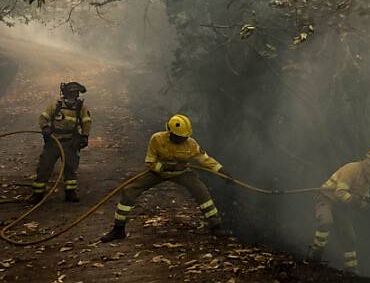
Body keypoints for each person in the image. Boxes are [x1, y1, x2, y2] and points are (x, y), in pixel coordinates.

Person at [100, 113, 232, 242]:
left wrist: (222, 171)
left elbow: (204, 159)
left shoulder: (191, 144)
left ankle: (216, 226)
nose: (182, 140)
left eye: (185, 137)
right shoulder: (157, 139)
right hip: (157, 173)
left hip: (182, 174)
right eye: (179, 137)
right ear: (170, 132)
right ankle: (118, 229)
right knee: (129, 191)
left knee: (202, 192)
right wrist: (170, 168)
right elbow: (150, 163)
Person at [306, 147, 370, 271]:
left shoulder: (367, 181)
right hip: (326, 198)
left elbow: (360, 203)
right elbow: (340, 192)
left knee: (349, 238)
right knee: (326, 222)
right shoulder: (353, 169)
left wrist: (369, 206)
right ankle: (314, 256)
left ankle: (352, 271)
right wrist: (355, 201)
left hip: (340, 207)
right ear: (369, 162)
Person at [30, 82, 91, 203]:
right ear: (65, 93)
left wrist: (84, 136)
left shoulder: (81, 107)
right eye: (71, 92)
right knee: (44, 167)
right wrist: (45, 127)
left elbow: (86, 122)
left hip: (70, 142)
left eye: (75, 93)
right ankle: (37, 194)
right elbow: (43, 117)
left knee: (70, 168)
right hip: (53, 141)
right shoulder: (56, 105)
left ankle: (70, 193)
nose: (73, 95)